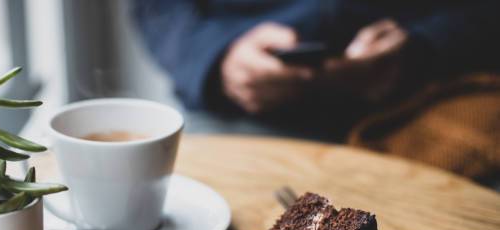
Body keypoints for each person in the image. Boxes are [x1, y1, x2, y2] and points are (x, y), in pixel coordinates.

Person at [132, 0, 500, 129]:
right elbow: (158, 8)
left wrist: (423, 46)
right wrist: (218, 58)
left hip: (430, 100)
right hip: (241, 111)